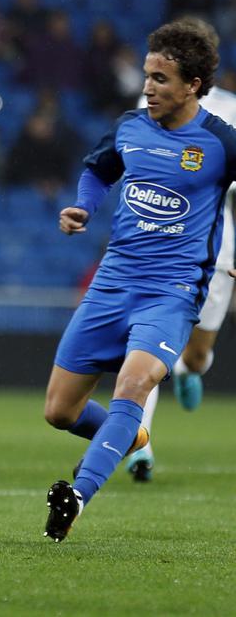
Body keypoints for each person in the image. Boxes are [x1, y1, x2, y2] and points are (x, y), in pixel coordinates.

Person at [43, 18, 236, 541]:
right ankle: (130, 432)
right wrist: (83, 208)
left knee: (134, 383)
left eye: (161, 79)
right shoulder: (130, 127)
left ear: (194, 85)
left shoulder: (220, 142)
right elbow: (98, 170)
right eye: (147, 75)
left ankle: (77, 495)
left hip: (171, 291)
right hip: (112, 283)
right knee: (59, 412)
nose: (148, 87)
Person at [125, 81, 236, 481]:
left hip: (214, 248)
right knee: (149, 346)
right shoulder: (149, 103)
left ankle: (192, 370)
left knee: (194, 355)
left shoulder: (228, 111)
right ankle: (140, 445)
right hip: (160, 244)